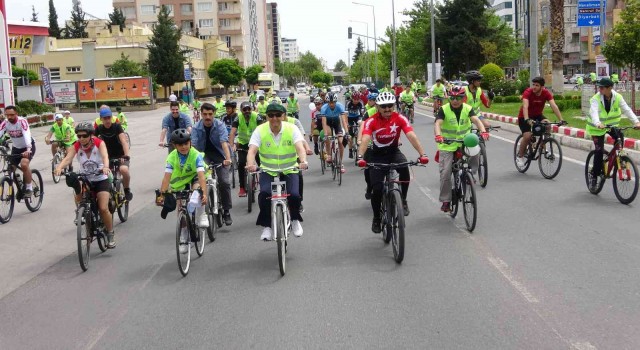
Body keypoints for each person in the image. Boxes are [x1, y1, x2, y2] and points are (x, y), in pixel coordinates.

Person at [357, 92, 429, 233]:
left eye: (390, 106)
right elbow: (365, 138)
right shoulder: (371, 121)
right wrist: (360, 156)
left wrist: (422, 154)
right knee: (376, 189)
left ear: (394, 106)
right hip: (375, 155)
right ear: (377, 107)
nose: (387, 109)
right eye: (383, 106)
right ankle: (377, 218)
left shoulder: (400, 118)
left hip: (393, 151)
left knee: (404, 168)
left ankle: (403, 199)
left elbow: (411, 135)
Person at [245, 103, 309, 240]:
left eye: (278, 115)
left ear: (283, 116)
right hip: (268, 170)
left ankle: (295, 220)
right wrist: (250, 164)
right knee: (264, 195)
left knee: (294, 195)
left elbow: (300, 148)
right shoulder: (260, 130)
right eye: (271, 115)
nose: (274, 118)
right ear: (266, 117)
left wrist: (303, 161)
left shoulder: (292, 129)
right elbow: (252, 151)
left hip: (290, 168)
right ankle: (267, 226)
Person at [54, 122, 115, 248]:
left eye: (84, 136)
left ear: (91, 135)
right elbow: (68, 159)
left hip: (100, 178)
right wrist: (59, 167)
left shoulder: (99, 143)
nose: (81, 138)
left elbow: (105, 156)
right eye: (78, 136)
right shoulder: (77, 145)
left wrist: (106, 167)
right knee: (76, 184)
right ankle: (81, 211)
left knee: (103, 208)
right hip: (86, 178)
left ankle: (110, 233)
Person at [434, 86, 488, 212]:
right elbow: (438, 123)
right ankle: (446, 200)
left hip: (464, 141)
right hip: (447, 144)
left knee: (475, 150)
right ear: (449, 98)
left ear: (463, 98)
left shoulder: (468, 108)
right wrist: (438, 135)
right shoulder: (444, 109)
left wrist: (483, 131)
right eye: (452, 98)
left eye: (458, 98)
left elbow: (476, 120)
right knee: (445, 173)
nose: (455, 100)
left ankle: (470, 173)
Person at [157, 129, 209, 254]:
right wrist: (161, 194)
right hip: (180, 183)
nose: (184, 147)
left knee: (197, 192)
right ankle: (184, 236)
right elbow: (166, 178)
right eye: (180, 145)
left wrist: (205, 193)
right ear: (175, 145)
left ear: (190, 142)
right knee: (181, 209)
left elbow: (201, 176)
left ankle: (202, 215)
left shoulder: (195, 155)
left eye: (186, 143)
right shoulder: (171, 157)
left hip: (196, 176)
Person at [586, 77, 640, 188]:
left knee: (620, 137)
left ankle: (618, 159)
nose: (599, 89)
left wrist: (636, 122)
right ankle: (595, 176)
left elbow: (627, 109)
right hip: (596, 128)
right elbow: (594, 112)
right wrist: (597, 123)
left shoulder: (618, 97)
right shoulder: (596, 98)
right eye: (599, 87)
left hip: (611, 126)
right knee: (599, 152)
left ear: (610, 88)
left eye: (602, 87)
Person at [191, 102, 233, 225]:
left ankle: (226, 210)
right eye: (205, 114)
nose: (208, 117)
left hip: (220, 155)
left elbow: (224, 143)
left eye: (210, 114)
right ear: (201, 114)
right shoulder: (196, 128)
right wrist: (193, 161)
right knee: (200, 179)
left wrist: (228, 158)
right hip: (203, 155)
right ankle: (201, 209)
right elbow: (193, 146)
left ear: (214, 114)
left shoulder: (220, 125)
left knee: (224, 182)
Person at [515, 77, 566, 167]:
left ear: (542, 87)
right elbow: (525, 106)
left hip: (537, 115)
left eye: (537, 85)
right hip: (524, 116)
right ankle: (520, 156)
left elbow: (554, 106)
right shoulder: (528, 92)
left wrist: (561, 119)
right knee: (527, 136)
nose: (534, 87)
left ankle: (545, 147)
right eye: (533, 85)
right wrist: (527, 119)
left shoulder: (546, 93)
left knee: (547, 124)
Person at [95, 106, 133, 201]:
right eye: (105, 118)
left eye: (109, 118)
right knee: (106, 176)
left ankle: (127, 189)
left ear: (111, 117)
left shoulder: (117, 127)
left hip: (120, 156)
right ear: (101, 119)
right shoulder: (99, 128)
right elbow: (92, 142)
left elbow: (124, 142)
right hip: (107, 157)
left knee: (124, 170)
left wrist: (126, 155)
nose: (107, 120)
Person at [229, 101, 264, 198]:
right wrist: (232, 146)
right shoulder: (238, 117)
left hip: (256, 144)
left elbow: (263, 130)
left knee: (262, 163)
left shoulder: (257, 116)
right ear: (241, 110)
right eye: (244, 110)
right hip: (243, 145)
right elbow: (232, 133)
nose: (247, 111)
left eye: (249, 109)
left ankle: (265, 183)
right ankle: (242, 187)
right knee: (241, 164)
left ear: (252, 109)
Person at [0, 105, 36, 196]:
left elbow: (26, 134)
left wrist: (28, 149)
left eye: (12, 115)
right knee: (10, 169)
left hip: (28, 147)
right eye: (7, 115)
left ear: (16, 113)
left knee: (24, 164)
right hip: (16, 148)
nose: (9, 117)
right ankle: (20, 186)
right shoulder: (5, 123)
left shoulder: (22, 121)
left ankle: (29, 188)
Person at [320, 92, 347, 173]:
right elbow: (324, 122)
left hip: (336, 122)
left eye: (333, 102)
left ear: (336, 102)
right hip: (328, 123)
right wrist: (325, 135)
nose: (331, 104)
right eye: (330, 103)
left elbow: (343, 120)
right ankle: (329, 155)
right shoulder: (324, 108)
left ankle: (341, 163)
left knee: (340, 141)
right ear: (327, 102)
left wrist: (347, 132)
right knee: (327, 135)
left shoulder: (340, 106)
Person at [345, 92, 364, 158]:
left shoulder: (361, 102)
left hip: (357, 117)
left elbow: (362, 114)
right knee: (350, 136)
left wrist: (361, 123)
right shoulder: (348, 103)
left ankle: (359, 136)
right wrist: (347, 124)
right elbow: (345, 115)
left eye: (357, 99)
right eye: (354, 99)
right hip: (349, 117)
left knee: (360, 124)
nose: (356, 101)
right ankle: (350, 150)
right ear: (352, 98)